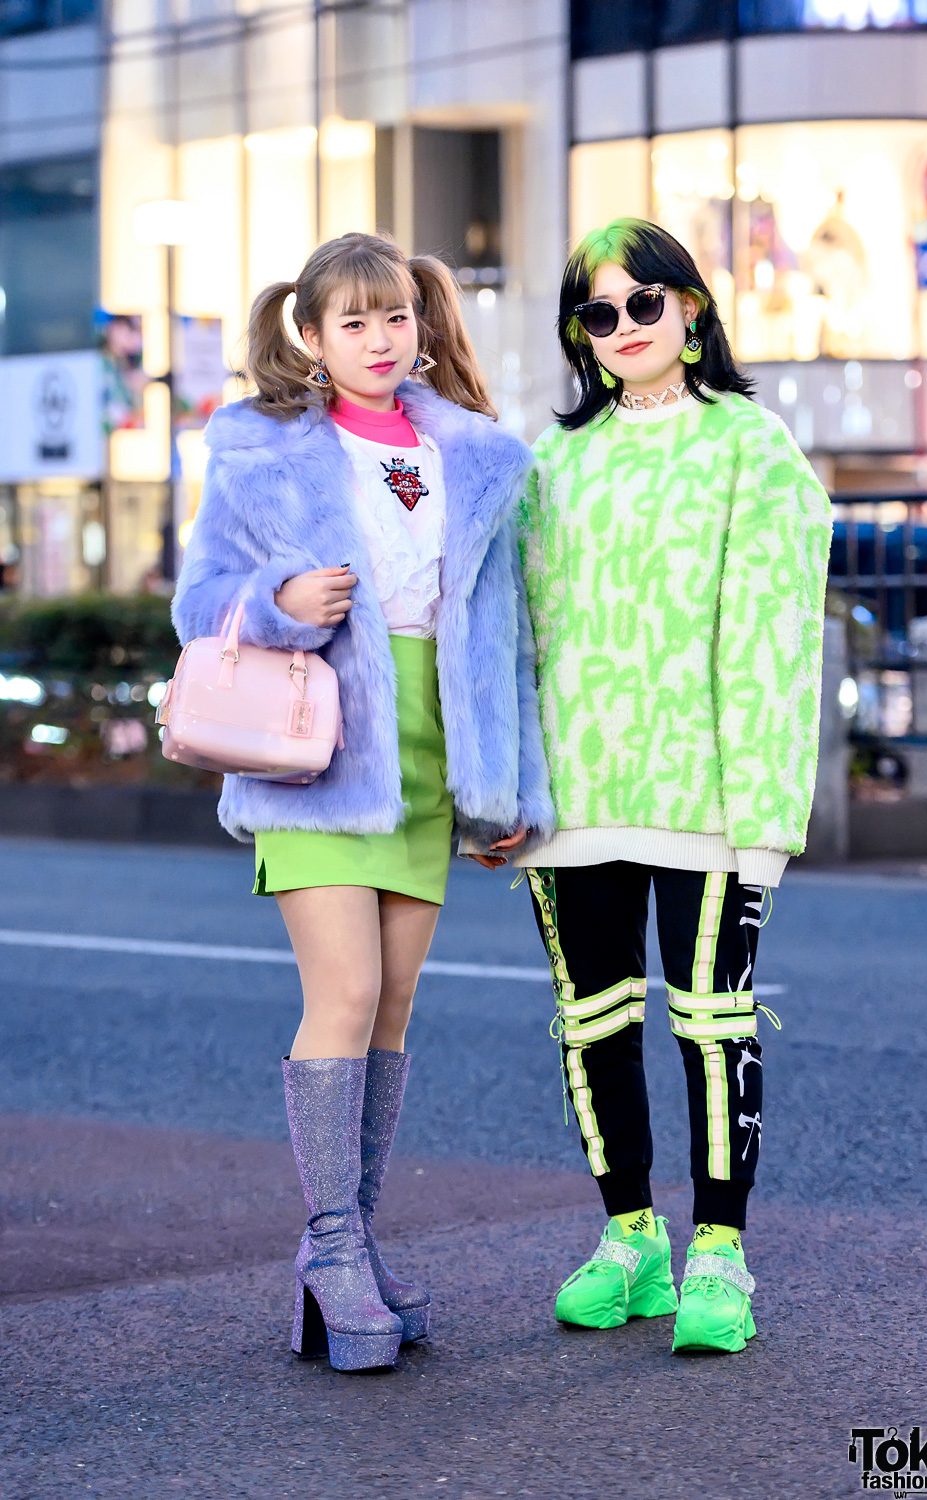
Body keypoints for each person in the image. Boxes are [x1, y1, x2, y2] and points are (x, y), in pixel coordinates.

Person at [172, 232, 553, 1372]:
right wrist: (280, 600)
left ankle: (351, 1249)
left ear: (422, 323)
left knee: (390, 1008)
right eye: (353, 322)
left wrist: (510, 785)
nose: (380, 340)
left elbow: (504, 635)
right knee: (341, 993)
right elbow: (198, 604)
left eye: (395, 318)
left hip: (436, 758)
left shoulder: (477, 455)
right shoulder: (263, 451)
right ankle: (334, 1251)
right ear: (313, 335)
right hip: (315, 755)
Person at [513, 218, 831, 1354]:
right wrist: (506, 789)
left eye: (644, 303)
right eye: (599, 313)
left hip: (707, 793)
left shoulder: (753, 448)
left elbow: (772, 640)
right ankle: (631, 1235)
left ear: (691, 308)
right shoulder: (552, 460)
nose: (625, 328)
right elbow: (518, 633)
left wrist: (764, 819)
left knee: (712, 1021)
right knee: (590, 1022)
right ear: (581, 337)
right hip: (573, 794)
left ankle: (719, 1255)